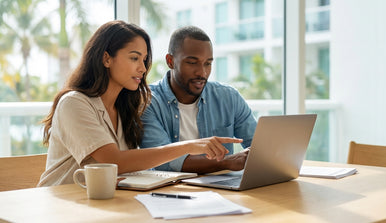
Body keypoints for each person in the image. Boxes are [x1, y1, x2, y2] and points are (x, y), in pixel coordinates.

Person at [38, 21, 242, 186]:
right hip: (61, 206)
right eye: (134, 58)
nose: (143, 69)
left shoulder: (128, 107)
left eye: (144, 60)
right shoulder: (74, 104)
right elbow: (114, 161)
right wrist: (189, 146)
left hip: (106, 206)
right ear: (106, 59)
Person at [140, 26, 257, 174]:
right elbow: (161, 162)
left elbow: (258, 145)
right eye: (192, 62)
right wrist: (227, 162)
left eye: (208, 63)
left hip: (225, 189)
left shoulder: (228, 97)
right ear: (170, 61)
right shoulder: (147, 102)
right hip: (173, 192)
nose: (202, 72)